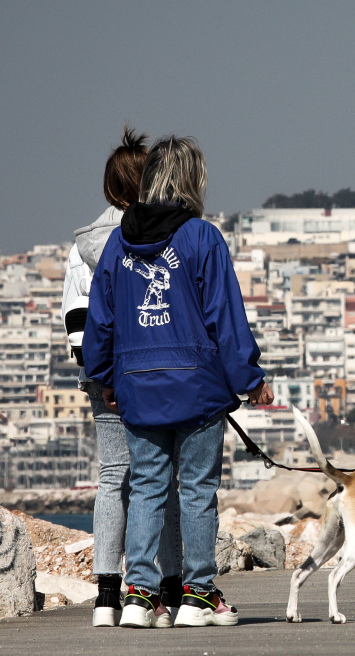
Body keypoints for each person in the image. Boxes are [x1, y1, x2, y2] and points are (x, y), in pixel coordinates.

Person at [84, 136, 273, 628]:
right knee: (196, 492)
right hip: (197, 387)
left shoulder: (115, 243)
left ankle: (140, 597)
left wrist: (105, 377)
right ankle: (198, 595)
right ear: (193, 181)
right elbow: (225, 318)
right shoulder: (201, 238)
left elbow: (100, 321)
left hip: (137, 386)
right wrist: (251, 378)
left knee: (145, 488)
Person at [64, 127, 182, 627]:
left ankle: (108, 595)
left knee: (113, 477)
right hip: (156, 370)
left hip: (102, 375)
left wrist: (101, 373)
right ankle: (173, 587)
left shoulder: (84, 245)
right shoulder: (171, 237)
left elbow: (76, 323)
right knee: (168, 479)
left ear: (110, 187)